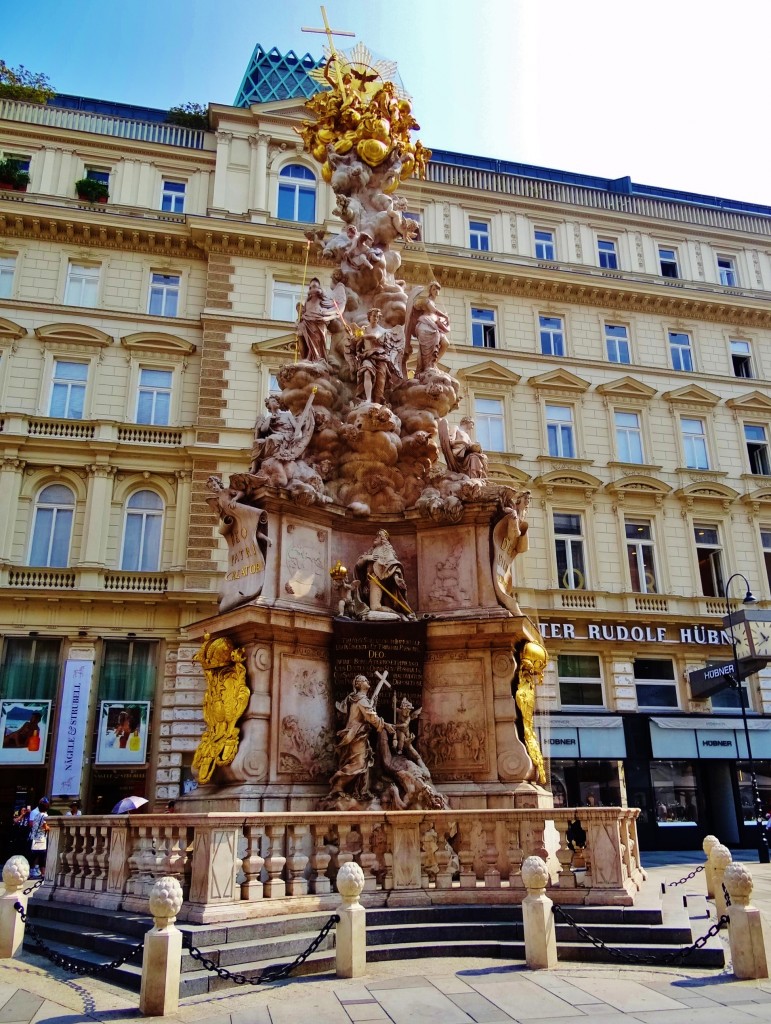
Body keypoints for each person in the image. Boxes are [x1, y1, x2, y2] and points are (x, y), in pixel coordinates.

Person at [328, 676, 394, 801]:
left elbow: (369, 714)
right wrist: (386, 725)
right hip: (356, 735)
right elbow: (371, 718)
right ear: (358, 684)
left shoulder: (361, 699)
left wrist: (372, 705)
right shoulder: (360, 699)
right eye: (364, 680)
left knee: (364, 762)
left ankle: (361, 791)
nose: (368, 681)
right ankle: (338, 785)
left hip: (360, 735)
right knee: (358, 764)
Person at [27, 797, 49, 878]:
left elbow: (33, 825)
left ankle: (28, 872)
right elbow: (45, 826)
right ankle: (43, 873)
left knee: (33, 856)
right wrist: (50, 828)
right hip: (41, 839)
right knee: (42, 857)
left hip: (34, 838)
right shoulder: (45, 815)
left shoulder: (36, 815)